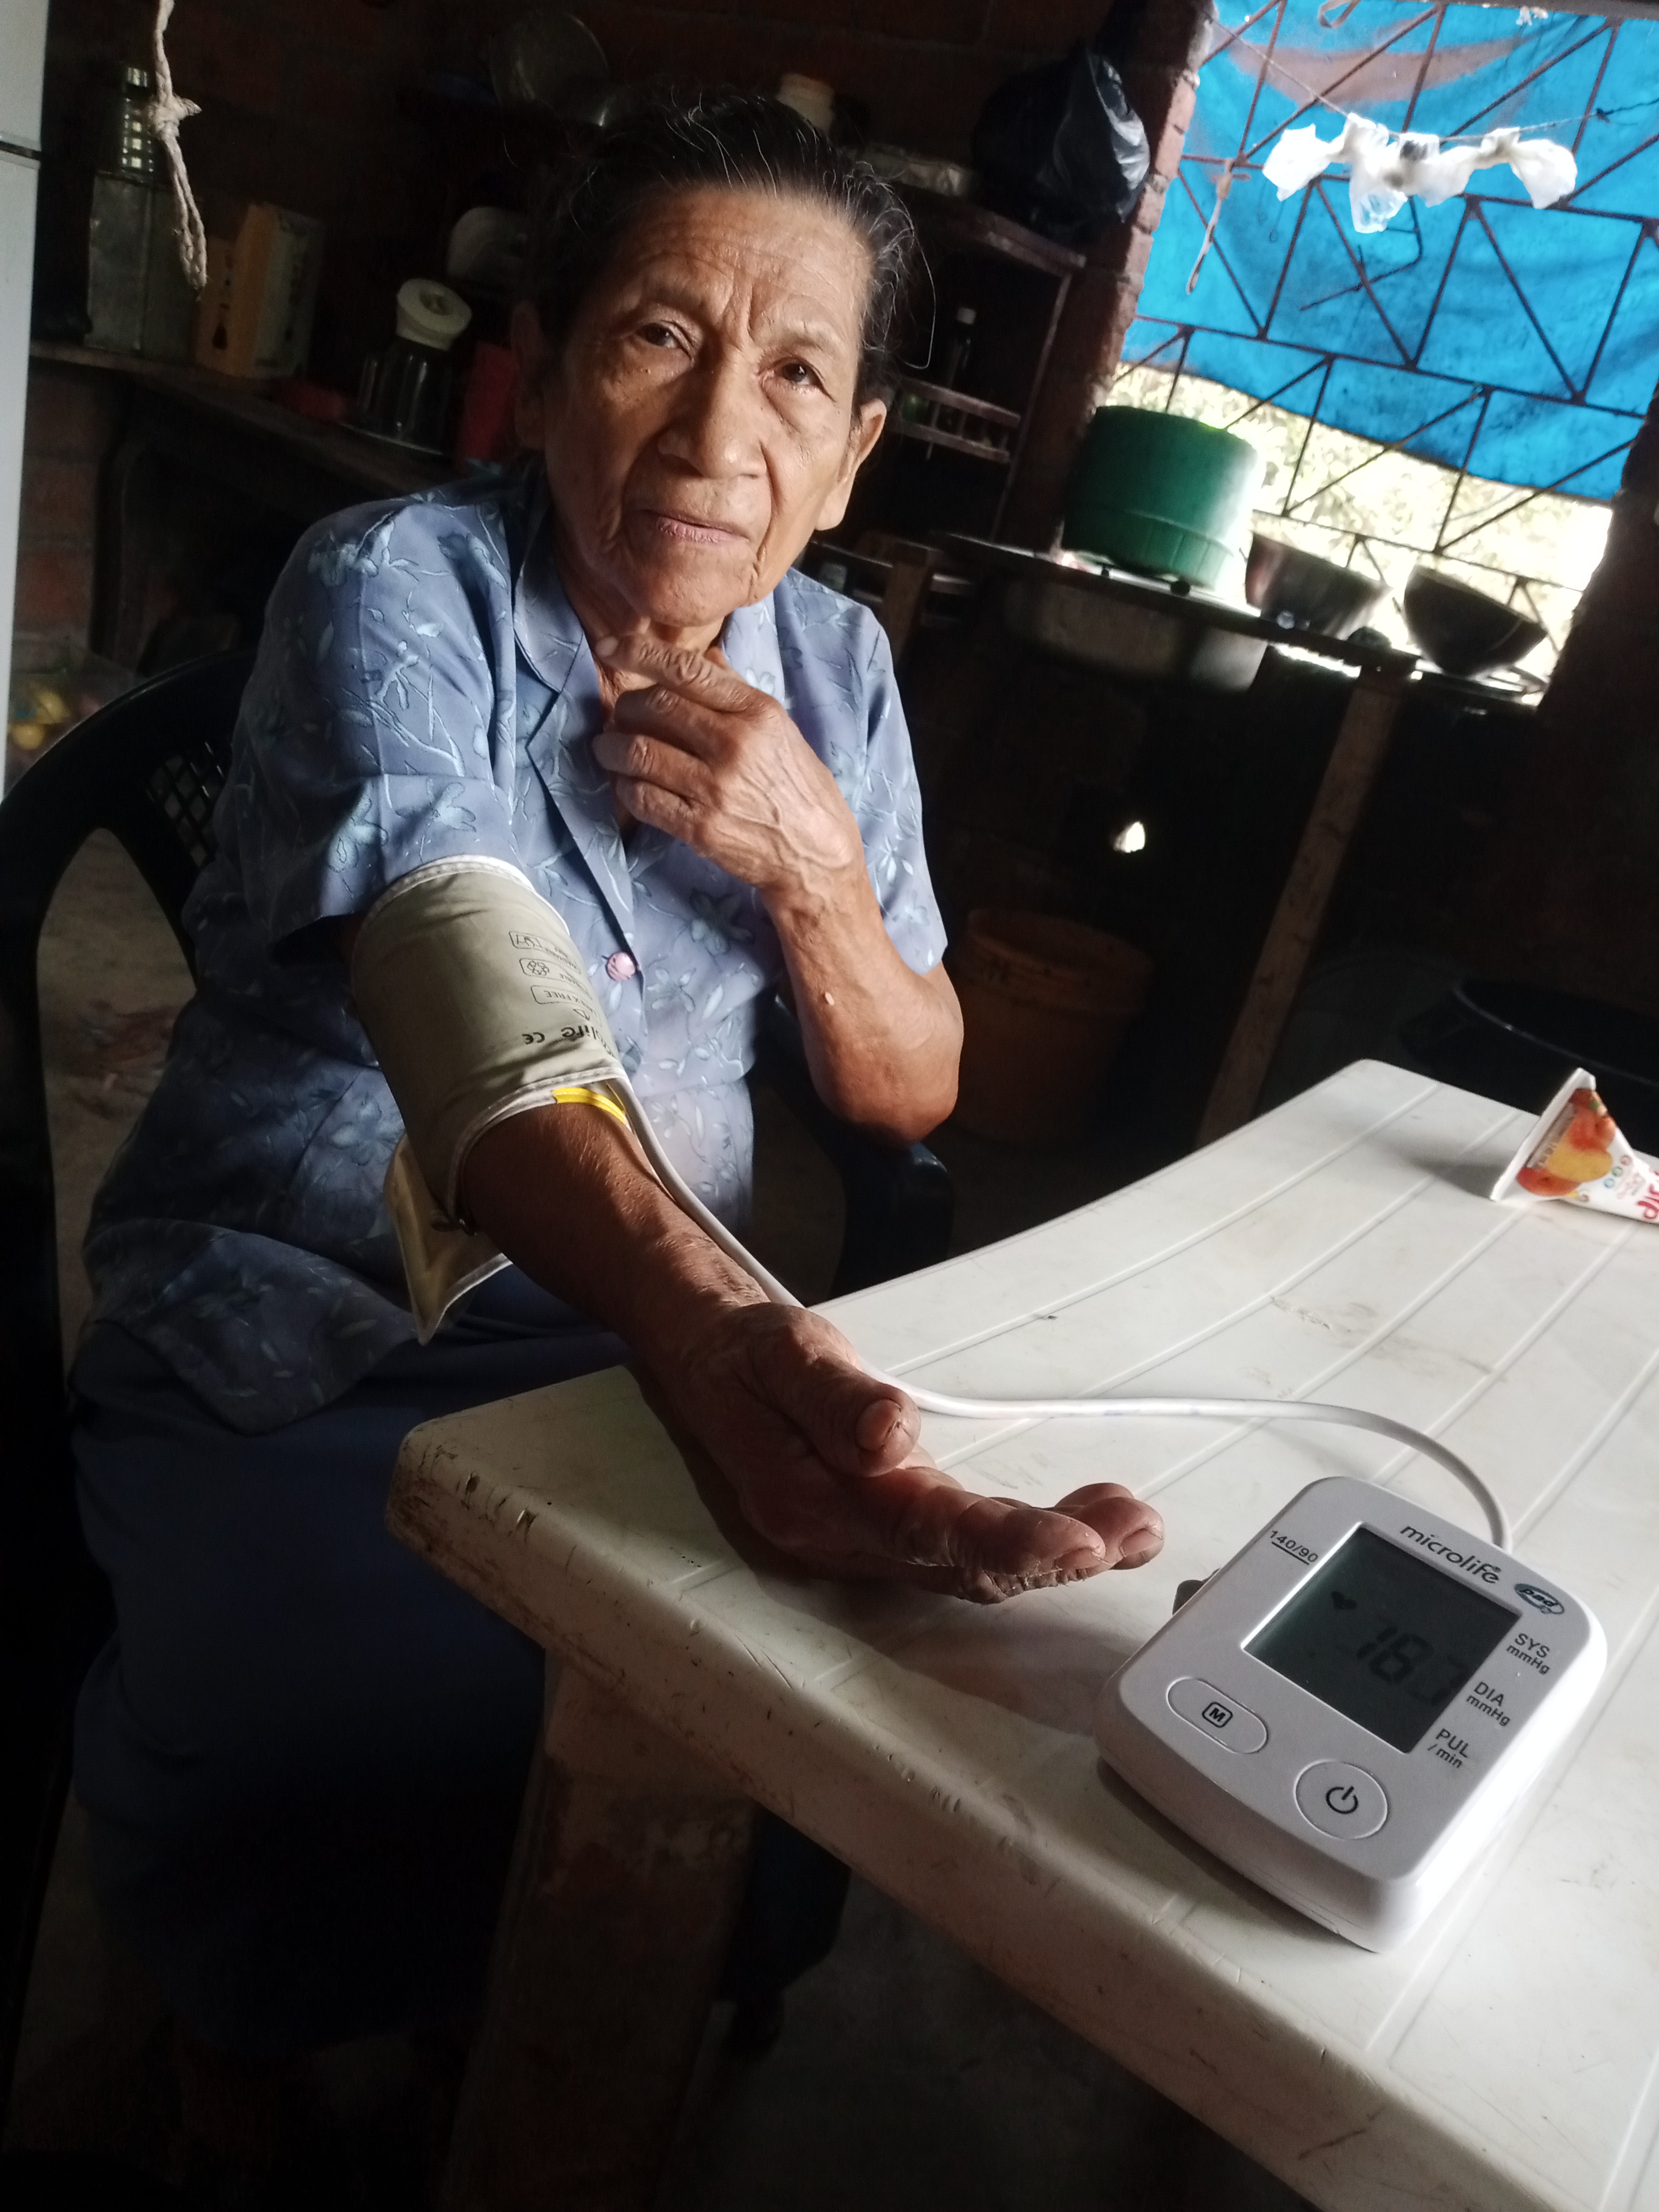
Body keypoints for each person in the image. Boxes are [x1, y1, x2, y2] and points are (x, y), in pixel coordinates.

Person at [71, 90, 1165, 2072]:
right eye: (660, 334)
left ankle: (598, 2035)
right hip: (310, 1324)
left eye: (797, 374)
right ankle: (280, 2084)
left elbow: (912, 1085)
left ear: (853, 453)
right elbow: (455, 977)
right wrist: (715, 1331)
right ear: (548, 365)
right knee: (349, 1742)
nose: (716, 432)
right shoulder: (397, 585)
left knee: (804, 1707)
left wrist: (814, 865)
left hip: (624, 1349)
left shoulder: (839, 674)